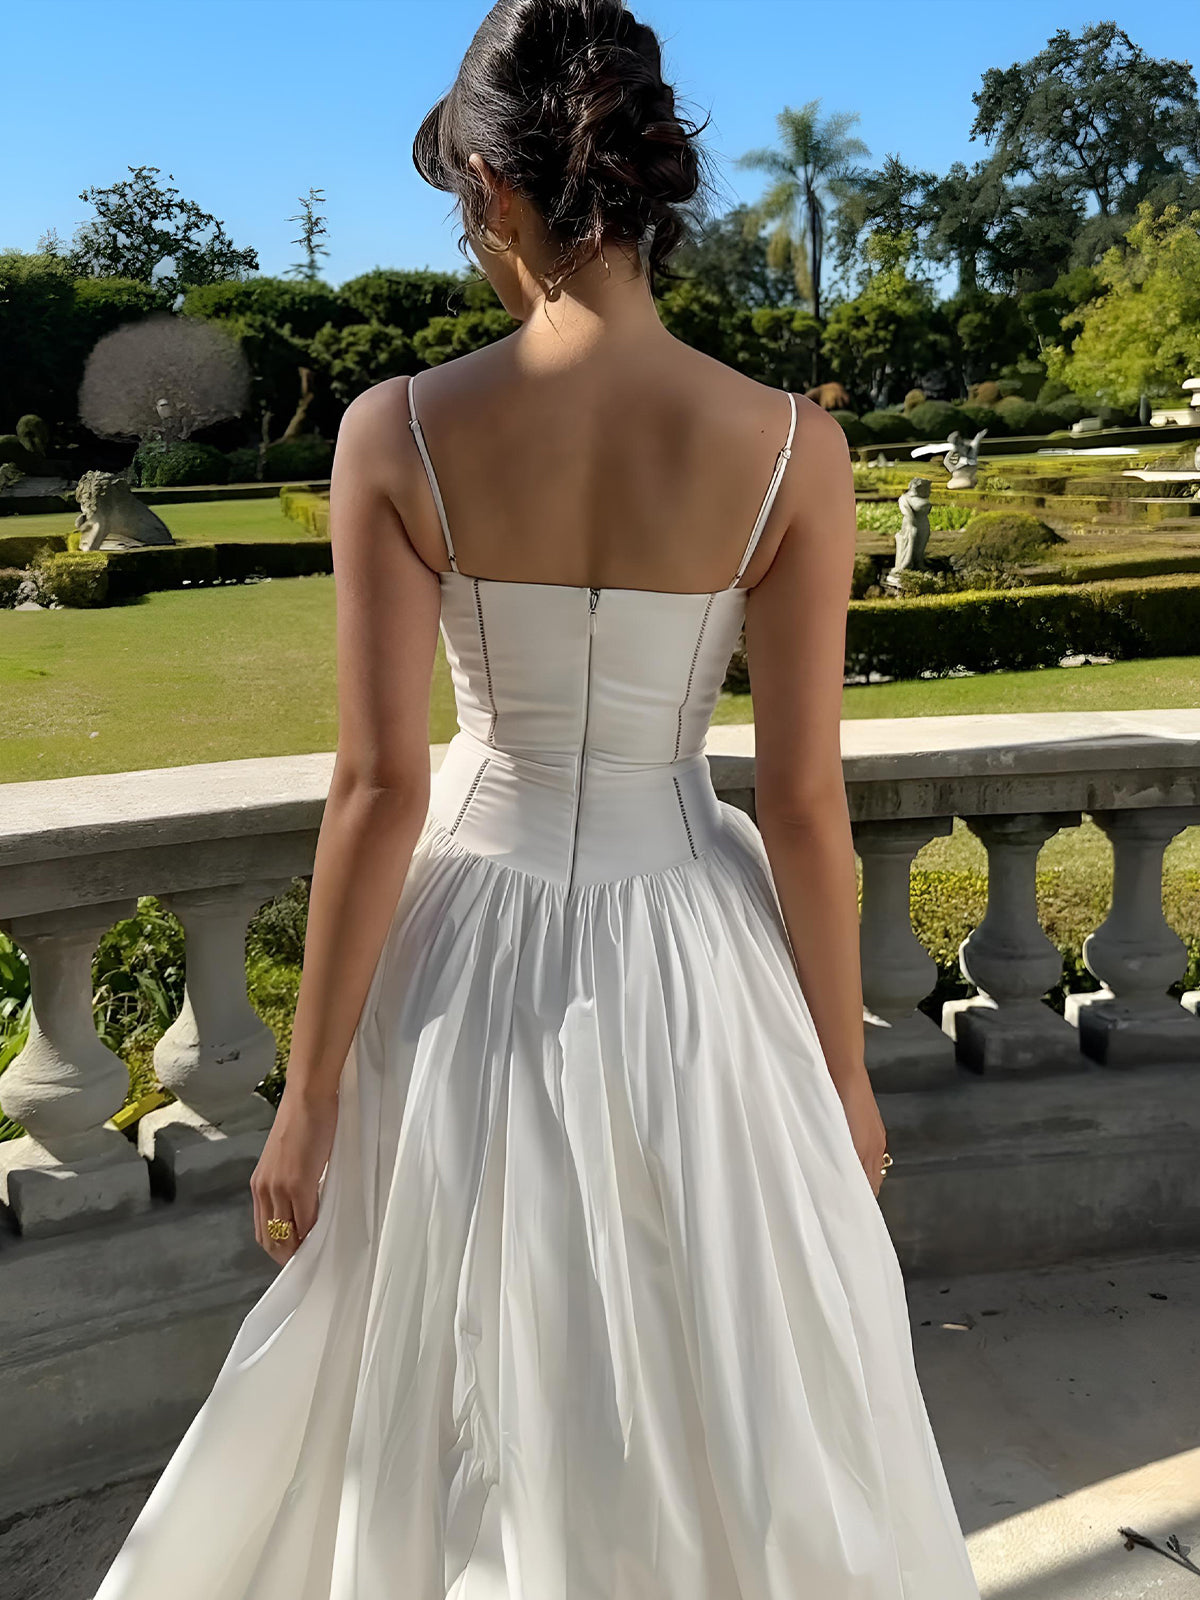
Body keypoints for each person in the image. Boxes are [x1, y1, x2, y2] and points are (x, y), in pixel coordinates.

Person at [95, 2, 981, 1596]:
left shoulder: (399, 429)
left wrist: (308, 1095)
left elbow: (380, 786)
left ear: (498, 191)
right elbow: (802, 802)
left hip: (465, 954)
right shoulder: (797, 449)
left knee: (438, 1376)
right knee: (728, 1383)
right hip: (696, 957)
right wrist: (844, 1076)